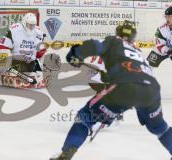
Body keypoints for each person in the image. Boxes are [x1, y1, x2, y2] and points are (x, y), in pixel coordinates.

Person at [50, 20, 172, 160]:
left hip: (124, 86)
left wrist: (75, 54)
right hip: (151, 90)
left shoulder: (114, 41)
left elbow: (94, 46)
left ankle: (67, 152)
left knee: (85, 117)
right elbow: (137, 73)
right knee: (160, 128)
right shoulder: (137, 52)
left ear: (117, 32)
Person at [0, 12, 47, 88]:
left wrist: (39, 54)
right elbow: (3, 46)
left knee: (38, 76)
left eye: (33, 25)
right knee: (13, 72)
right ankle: (6, 72)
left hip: (30, 60)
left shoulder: (38, 32)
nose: (31, 27)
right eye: (29, 24)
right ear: (24, 22)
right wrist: (5, 61)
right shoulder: (14, 30)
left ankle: (36, 72)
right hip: (16, 59)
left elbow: (41, 50)